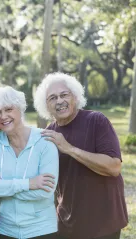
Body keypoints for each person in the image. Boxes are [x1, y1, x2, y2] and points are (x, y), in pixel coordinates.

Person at [34, 72, 128, 239]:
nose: (59, 101)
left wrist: (69, 148)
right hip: (67, 224)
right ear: (46, 106)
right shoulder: (49, 134)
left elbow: (114, 167)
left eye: (64, 95)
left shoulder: (96, 121)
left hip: (104, 224)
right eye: (52, 98)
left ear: (75, 97)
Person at [0, 86, 59, 239]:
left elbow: (45, 190)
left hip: (43, 230)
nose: (3, 116)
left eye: (8, 109)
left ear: (20, 108)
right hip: (5, 230)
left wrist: (0, 184)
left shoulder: (45, 141)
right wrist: (28, 183)